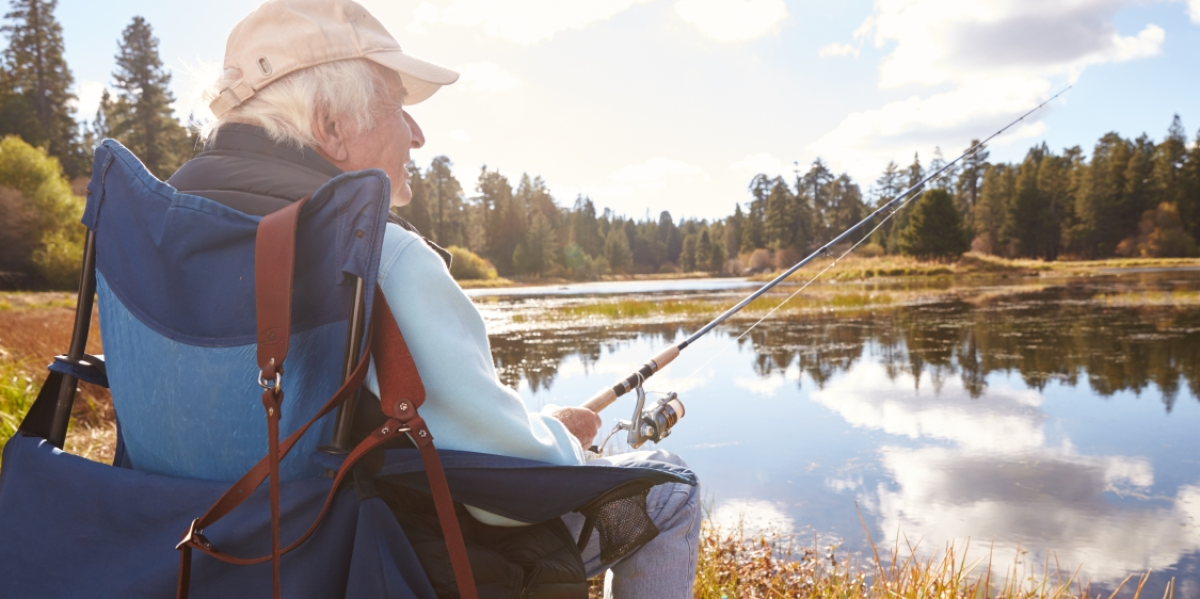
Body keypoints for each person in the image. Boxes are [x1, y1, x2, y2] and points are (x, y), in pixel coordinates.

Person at [166, 1, 700, 597]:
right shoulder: (381, 256)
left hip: (202, 551)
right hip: (369, 562)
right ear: (331, 126)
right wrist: (564, 437)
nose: (418, 133)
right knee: (671, 486)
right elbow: (510, 497)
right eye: (398, 108)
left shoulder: (159, 235)